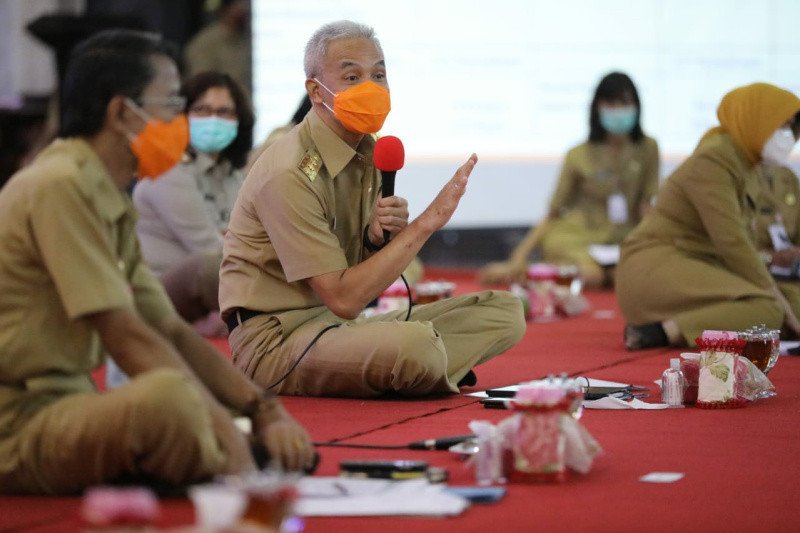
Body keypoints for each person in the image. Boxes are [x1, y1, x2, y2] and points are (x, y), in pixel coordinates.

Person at [0, 30, 313, 496]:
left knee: (191, 398)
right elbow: (124, 336)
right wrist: (232, 436)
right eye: (171, 103)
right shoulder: (58, 184)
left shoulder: (106, 190)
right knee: (169, 399)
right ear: (123, 113)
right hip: (19, 424)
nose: (182, 121)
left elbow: (167, 328)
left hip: (71, 402)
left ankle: (217, 455)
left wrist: (263, 410)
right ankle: (230, 458)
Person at [219, 20, 525, 398]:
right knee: (417, 346)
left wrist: (373, 238)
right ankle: (417, 366)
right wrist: (425, 224)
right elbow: (345, 299)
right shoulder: (288, 171)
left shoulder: (369, 149)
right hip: (276, 341)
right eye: (352, 76)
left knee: (504, 311)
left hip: (335, 325)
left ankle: (414, 369)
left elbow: (354, 279)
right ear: (316, 91)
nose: (371, 87)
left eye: (379, 74)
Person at [616, 82, 800, 350]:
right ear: (755, 119)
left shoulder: (749, 164)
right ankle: (663, 331)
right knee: (769, 309)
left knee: (793, 301)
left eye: (791, 126)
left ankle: (705, 322)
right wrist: (778, 301)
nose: (787, 135)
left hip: (701, 264)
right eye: (780, 125)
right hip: (656, 267)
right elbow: (733, 243)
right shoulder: (714, 159)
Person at [479, 72, 660, 289]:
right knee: (591, 276)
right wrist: (518, 258)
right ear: (598, 107)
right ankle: (529, 272)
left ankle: (547, 272)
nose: (620, 110)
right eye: (612, 103)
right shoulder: (577, 154)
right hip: (578, 239)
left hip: (624, 240)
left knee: (627, 275)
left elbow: (646, 207)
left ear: (637, 106)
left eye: (626, 103)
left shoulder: (648, 149)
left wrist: (658, 247)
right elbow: (553, 213)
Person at [133, 71, 253, 335]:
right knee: (215, 266)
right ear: (183, 115)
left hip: (215, 291)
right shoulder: (169, 169)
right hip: (161, 294)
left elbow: (245, 239)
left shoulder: (232, 173)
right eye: (202, 110)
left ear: (239, 121)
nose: (213, 120)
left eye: (224, 112)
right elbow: (212, 248)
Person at [750, 162, 800, 316]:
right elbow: (727, 249)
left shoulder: (786, 176)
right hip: (752, 278)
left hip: (790, 275)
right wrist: (770, 258)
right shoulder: (734, 178)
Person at [184, 0, 251, 95]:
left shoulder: (249, 40)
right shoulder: (206, 44)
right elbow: (201, 86)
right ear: (227, 9)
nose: (247, 9)